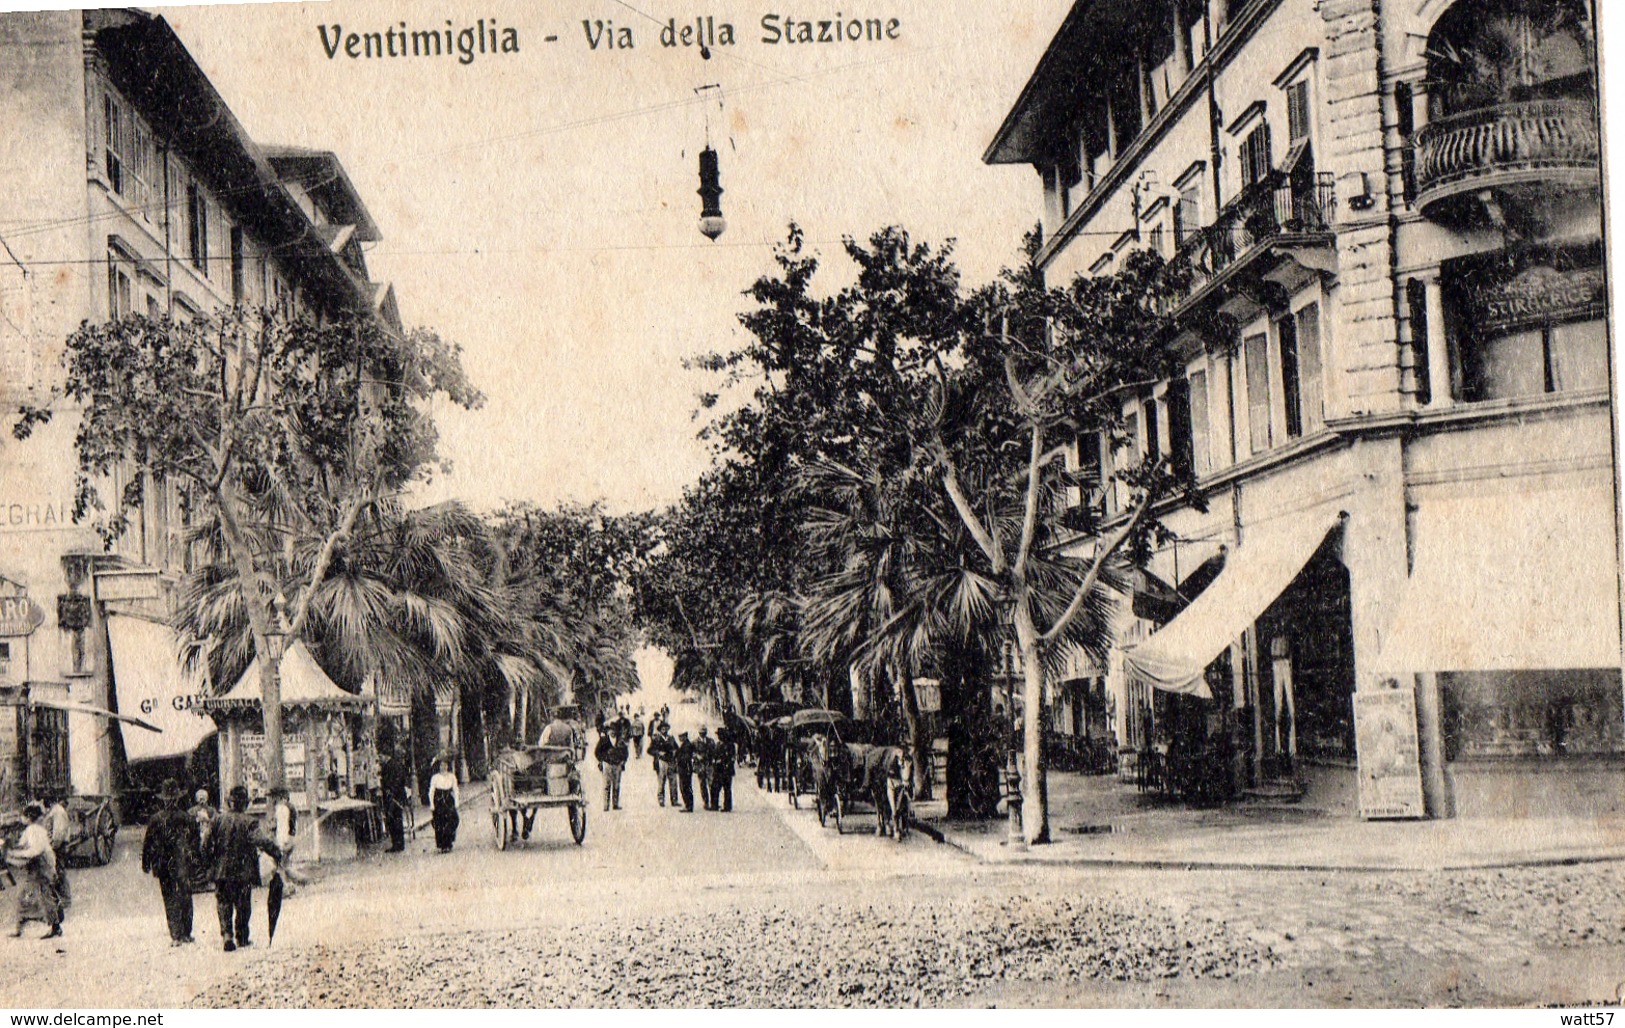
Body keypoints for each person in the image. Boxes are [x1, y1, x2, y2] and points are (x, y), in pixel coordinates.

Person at [209, 785, 281, 952]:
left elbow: (205, 844)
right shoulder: (250, 822)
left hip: (221, 870)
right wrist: (276, 853)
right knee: (243, 904)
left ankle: (227, 934)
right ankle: (242, 937)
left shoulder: (217, 820)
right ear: (245, 804)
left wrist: (211, 862)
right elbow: (261, 841)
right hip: (243, 870)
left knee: (223, 901)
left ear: (230, 802)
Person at [141, 779, 198, 946]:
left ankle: (175, 934)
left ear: (164, 799)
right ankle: (186, 933)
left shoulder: (156, 819)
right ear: (178, 798)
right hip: (182, 863)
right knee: (185, 895)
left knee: (169, 897)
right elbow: (195, 842)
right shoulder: (186, 818)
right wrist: (197, 861)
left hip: (163, 864)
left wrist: (146, 862)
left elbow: (148, 843)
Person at [7, 802, 63, 939]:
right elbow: (22, 845)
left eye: (23, 816)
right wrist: (13, 848)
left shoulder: (34, 830)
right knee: (26, 896)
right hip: (36, 867)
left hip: (41, 866)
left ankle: (55, 927)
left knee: (43, 897)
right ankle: (20, 927)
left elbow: (35, 851)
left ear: (28, 817)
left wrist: (14, 854)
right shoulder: (32, 830)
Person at [262, 787, 305, 895]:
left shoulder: (281, 809)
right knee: (284, 865)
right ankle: (297, 883)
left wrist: (279, 844)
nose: (271, 800)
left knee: (279, 867)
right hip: (291, 839)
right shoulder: (291, 807)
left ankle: (286, 888)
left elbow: (282, 828)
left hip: (284, 841)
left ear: (279, 797)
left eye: (272, 797)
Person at [44, 793, 71, 909]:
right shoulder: (55, 810)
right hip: (56, 844)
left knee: (59, 871)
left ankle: (65, 899)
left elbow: (59, 832)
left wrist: (54, 846)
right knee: (56, 871)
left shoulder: (58, 812)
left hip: (58, 845)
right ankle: (59, 898)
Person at [381, 745, 410, 853]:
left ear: (386, 756)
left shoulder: (390, 766)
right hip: (397, 796)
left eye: (381, 756)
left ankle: (397, 844)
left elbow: (396, 781)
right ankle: (398, 843)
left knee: (394, 820)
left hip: (393, 797)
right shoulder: (396, 764)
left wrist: (391, 791)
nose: (380, 759)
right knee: (397, 819)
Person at [428, 759, 460, 853]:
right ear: (439, 766)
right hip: (438, 801)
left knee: (452, 820)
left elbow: (456, 789)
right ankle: (441, 845)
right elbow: (431, 791)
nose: (443, 767)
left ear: (447, 766)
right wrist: (431, 804)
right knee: (439, 822)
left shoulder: (451, 776)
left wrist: (457, 802)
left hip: (448, 800)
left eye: (445, 765)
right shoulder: (435, 777)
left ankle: (448, 843)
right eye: (441, 765)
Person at [595, 727, 628, 812]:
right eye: (611, 731)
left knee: (616, 785)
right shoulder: (604, 740)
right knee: (606, 785)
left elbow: (625, 752)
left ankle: (615, 804)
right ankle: (606, 805)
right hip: (607, 764)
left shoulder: (620, 741)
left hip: (617, 765)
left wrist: (623, 761)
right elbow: (597, 752)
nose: (613, 732)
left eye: (614, 730)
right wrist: (603, 759)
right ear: (608, 732)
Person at [647, 723, 678, 807]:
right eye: (662, 728)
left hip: (671, 761)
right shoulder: (656, 739)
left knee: (673, 781)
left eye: (665, 728)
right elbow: (649, 750)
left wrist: (675, 751)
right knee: (661, 781)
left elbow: (676, 748)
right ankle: (661, 799)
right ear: (660, 729)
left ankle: (674, 800)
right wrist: (658, 753)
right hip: (661, 761)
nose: (664, 730)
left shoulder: (671, 738)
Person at [711, 731, 736, 813]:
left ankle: (727, 806)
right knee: (715, 788)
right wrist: (714, 761)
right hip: (718, 770)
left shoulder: (730, 745)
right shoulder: (718, 744)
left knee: (727, 788)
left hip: (726, 770)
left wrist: (723, 762)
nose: (719, 736)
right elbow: (714, 754)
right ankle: (714, 805)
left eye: (720, 735)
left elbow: (731, 757)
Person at [695, 727, 717, 811]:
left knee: (712, 784)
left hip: (709, 765)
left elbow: (715, 751)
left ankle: (713, 803)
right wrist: (697, 756)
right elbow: (692, 752)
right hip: (700, 766)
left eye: (704, 732)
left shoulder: (711, 741)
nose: (702, 734)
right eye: (701, 732)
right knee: (702, 784)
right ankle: (706, 802)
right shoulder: (695, 742)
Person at [673, 731, 696, 813]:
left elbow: (685, 758)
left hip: (685, 769)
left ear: (685, 736)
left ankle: (689, 806)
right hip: (684, 769)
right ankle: (688, 805)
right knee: (685, 787)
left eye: (681, 736)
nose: (679, 738)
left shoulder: (687, 745)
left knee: (685, 787)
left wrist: (678, 757)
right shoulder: (685, 744)